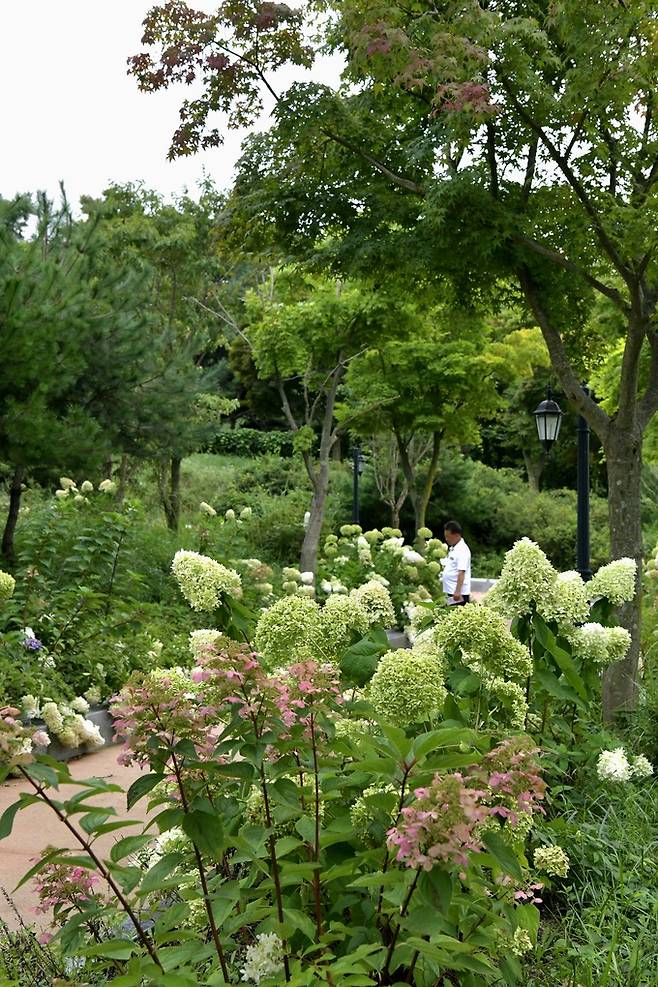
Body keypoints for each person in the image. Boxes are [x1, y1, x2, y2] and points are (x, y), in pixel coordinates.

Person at [441, 520, 471, 605]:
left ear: (457, 535)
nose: (446, 539)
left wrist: (457, 591)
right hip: (451, 591)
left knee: (457, 615)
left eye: (448, 537)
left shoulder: (462, 550)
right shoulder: (454, 548)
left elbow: (461, 572)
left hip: (458, 594)